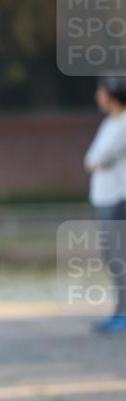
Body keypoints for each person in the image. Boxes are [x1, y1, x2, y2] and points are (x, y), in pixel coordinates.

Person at [85, 76, 126, 334]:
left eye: (101, 93)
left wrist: (96, 161)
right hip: (104, 199)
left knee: (121, 258)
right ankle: (120, 310)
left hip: (119, 199)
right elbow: (90, 159)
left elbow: (100, 155)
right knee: (112, 258)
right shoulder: (109, 123)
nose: (98, 97)